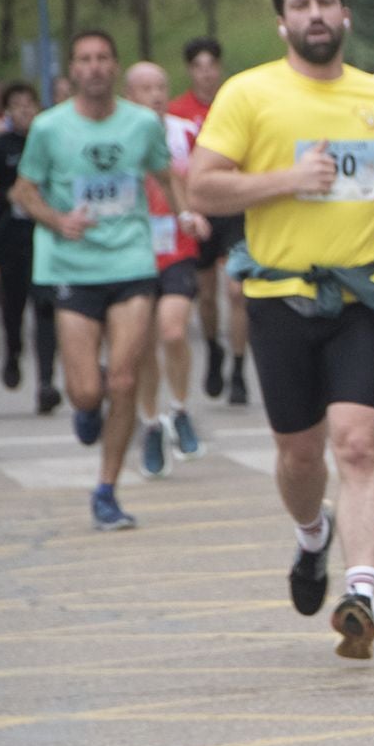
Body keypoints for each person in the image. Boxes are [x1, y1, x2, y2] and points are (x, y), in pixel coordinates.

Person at [186, 0, 374, 657]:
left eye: (326, 2)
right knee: (298, 455)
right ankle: (312, 537)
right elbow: (203, 188)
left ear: (346, 15)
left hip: (362, 293)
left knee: (356, 442)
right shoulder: (249, 95)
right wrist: (288, 178)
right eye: (301, 4)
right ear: (282, 20)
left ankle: (362, 594)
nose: (315, 14)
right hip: (279, 296)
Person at [8, 30, 172, 530]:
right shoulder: (49, 128)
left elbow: (167, 174)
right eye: (85, 59)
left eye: (103, 58)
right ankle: (85, 406)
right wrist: (58, 221)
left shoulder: (143, 123)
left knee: (123, 379)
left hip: (130, 263)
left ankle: (107, 490)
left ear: (115, 67)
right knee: (84, 391)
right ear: (72, 71)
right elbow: (23, 191)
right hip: (71, 267)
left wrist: (188, 216)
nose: (95, 67)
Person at [124, 60, 210, 475]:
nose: (155, 95)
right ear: (129, 96)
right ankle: (151, 423)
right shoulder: (117, 135)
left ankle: (179, 408)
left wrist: (193, 213)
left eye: (161, 86)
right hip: (131, 252)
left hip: (176, 247)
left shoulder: (184, 131)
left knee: (173, 331)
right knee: (141, 345)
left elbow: (198, 180)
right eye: (145, 88)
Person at [0, 82, 60, 411]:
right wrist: (6, 196)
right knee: (14, 305)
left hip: (47, 234)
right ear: (7, 112)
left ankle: (46, 383)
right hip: (11, 236)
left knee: (46, 306)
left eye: (30, 104)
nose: (25, 110)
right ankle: (12, 352)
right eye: (17, 105)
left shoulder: (51, 140)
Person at [172, 36, 249, 404]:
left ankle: (238, 368)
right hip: (199, 210)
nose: (205, 74)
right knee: (205, 293)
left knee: (237, 290)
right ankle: (213, 350)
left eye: (211, 66)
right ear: (190, 71)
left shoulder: (234, 104)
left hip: (234, 208)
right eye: (198, 67)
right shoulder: (177, 112)